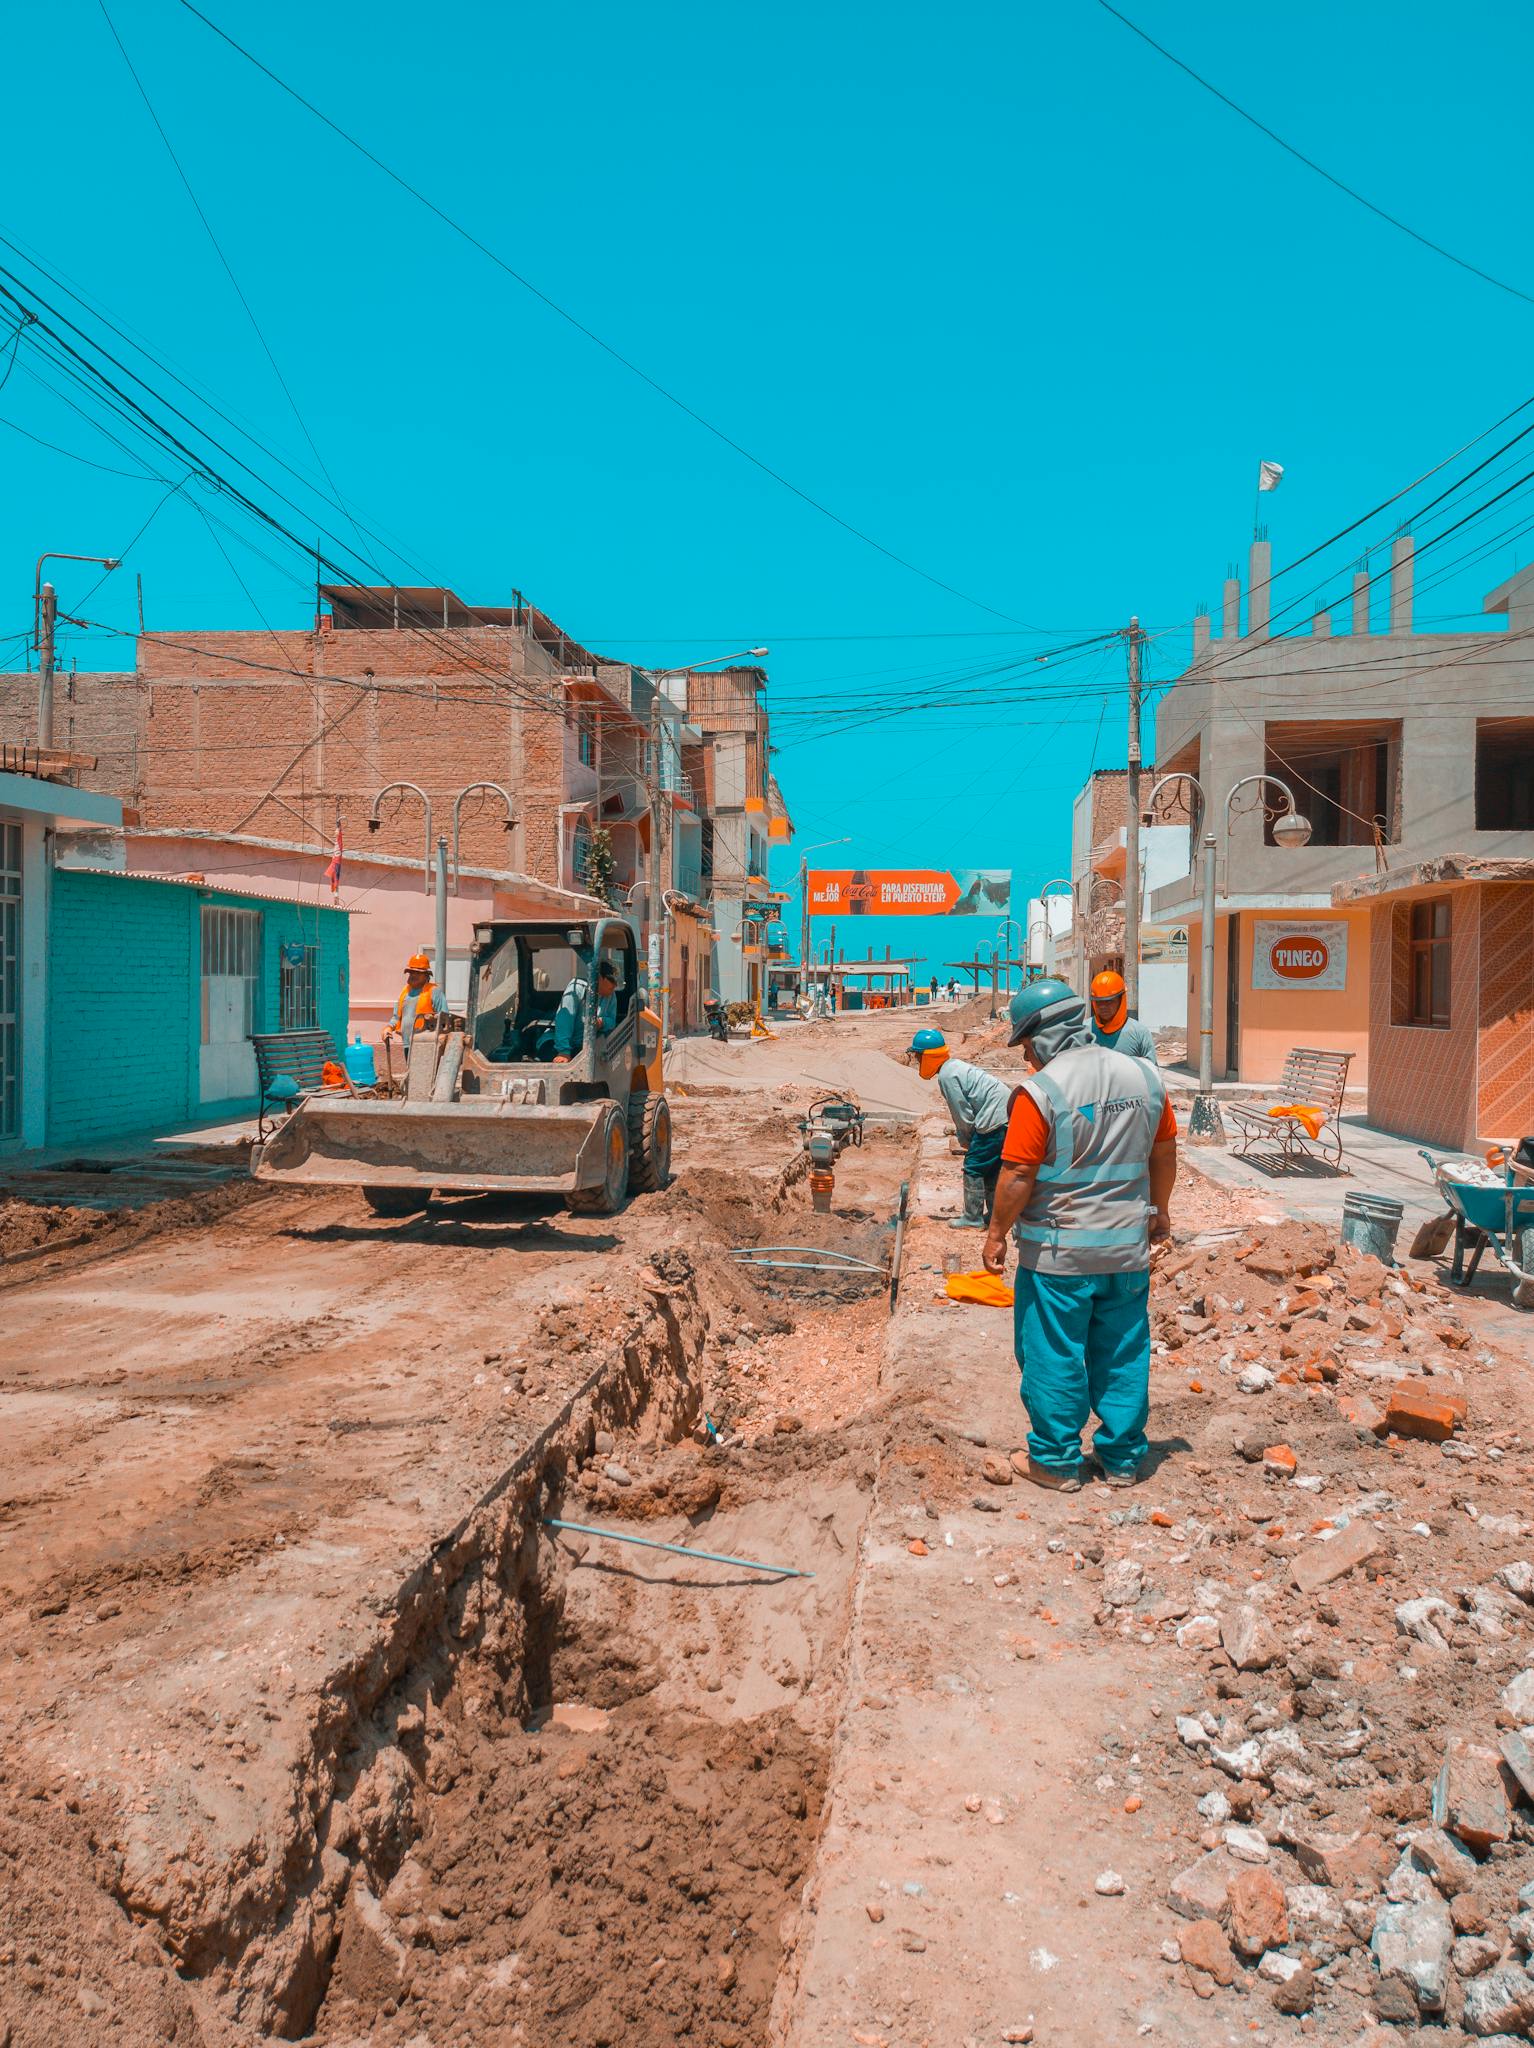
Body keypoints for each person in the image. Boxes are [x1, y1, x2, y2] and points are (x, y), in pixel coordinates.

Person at [981, 977, 1177, 1492]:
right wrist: (1161, 1213)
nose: (1025, 1053)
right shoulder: (1145, 1076)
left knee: (1052, 1353)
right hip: (1126, 1252)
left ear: (1043, 1035)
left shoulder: (1042, 1091)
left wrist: (996, 1233)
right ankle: (1122, 1460)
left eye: (1025, 1042)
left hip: (1059, 1257)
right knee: (1123, 1352)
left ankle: (1055, 1461)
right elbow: (1164, 1151)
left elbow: (1018, 1174)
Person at [907, 1027, 1013, 1229]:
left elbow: (962, 1115)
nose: (918, 1062)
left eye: (919, 1057)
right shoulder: (954, 1066)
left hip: (994, 1118)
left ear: (928, 1057)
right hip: (1003, 1114)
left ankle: (972, 1218)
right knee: (990, 1168)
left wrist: (967, 1140)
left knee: (974, 1165)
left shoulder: (947, 1076)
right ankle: (994, 1216)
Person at [553, 958, 620, 1062]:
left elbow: (612, 1021)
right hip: (563, 1044)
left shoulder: (611, 996)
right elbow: (565, 1020)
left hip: (587, 1046)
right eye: (611, 981)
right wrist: (563, 1051)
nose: (614, 986)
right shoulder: (576, 989)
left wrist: (602, 1022)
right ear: (599, 978)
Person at [1088, 970, 1158, 1062]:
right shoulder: (1083, 1030)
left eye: (1109, 1001)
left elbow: (1151, 1071)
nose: (1103, 1006)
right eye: (1098, 1002)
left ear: (1121, 1000)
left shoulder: (1139, 1033)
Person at [384, 951, 445, 1052]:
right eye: (411, 972)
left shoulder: (434, 992)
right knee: (410, 1068)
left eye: (418, 973)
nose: (413, 975)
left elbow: (444, 1018)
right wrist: (388, 1028)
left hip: (427, 1044)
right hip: (407, 1044)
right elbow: (396, 1017)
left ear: (426, 975)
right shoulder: (405, 992)